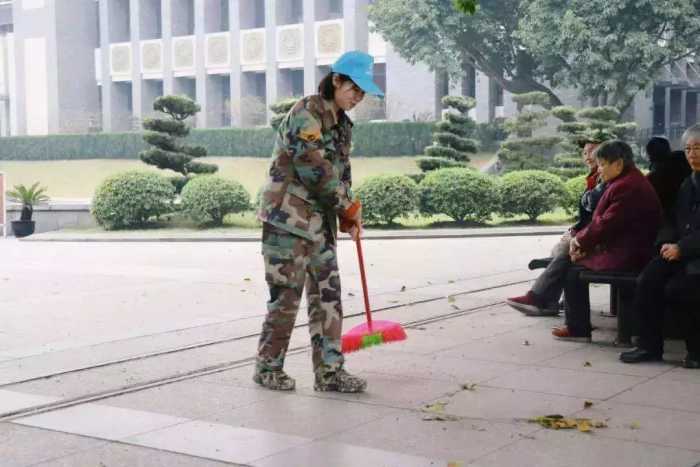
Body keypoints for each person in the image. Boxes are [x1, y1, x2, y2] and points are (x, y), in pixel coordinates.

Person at [254, 51, 384, 392]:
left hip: (319, 223)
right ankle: (268, 367)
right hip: (287, 221)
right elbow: (316, 170)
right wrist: (345, 207)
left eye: (362, 93)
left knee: (329, 295)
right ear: (336, 80)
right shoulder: (306, 113)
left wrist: (347, 215)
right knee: (287, 296)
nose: (357, 97)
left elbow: (341, 173)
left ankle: (330, 372)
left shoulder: (342, 124)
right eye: (353, 88)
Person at [552, 140, 663, 341]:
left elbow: (606, 223)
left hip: (629, 253)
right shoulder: (627, 180)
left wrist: (579, 242)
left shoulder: (627, 186)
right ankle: (557, 309)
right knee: (571, 262)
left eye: (602, 164)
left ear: (618, 164)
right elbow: (605, 224)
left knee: (572, 270)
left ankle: (577, 328)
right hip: (624, 247)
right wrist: (583, 243)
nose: (599, 170)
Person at [620, 125, 700, 369]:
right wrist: (667, 242)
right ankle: (648, 346)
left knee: (682, 288)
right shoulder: (688, 183)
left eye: (698, 148)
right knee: (648, 278)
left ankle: (696, 350)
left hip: (694, 254)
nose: (692, 154)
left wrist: (682, 247)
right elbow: (672, 218)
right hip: (681, 251)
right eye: (688, 149)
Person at [506, 137, 607, 316]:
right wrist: (574, 230)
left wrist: (577, 237)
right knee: (559, 250)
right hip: (593, 235)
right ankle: (549, 301)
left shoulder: (604, 179)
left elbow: (599, 218)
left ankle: (538, 297)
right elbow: (589, 217)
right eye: (585, 152)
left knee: (564, 252)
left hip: (604, 241)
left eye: (592, 151)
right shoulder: (593, 178)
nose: (588, 156)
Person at [645, 136, 692, 222]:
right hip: (690, 216)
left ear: (650, 155)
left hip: (668, 220)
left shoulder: (652, 178)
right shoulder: (686, 163)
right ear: (669, 149)